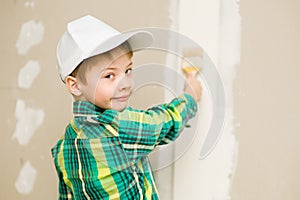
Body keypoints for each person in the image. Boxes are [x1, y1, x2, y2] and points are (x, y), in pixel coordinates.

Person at [51, 15, 202, 200]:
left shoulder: (62, 148)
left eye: (127, 70)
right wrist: (190, 97)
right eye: (109, 76)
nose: (125, 84)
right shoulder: (118, 127)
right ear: (74, 85)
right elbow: (165, 121)